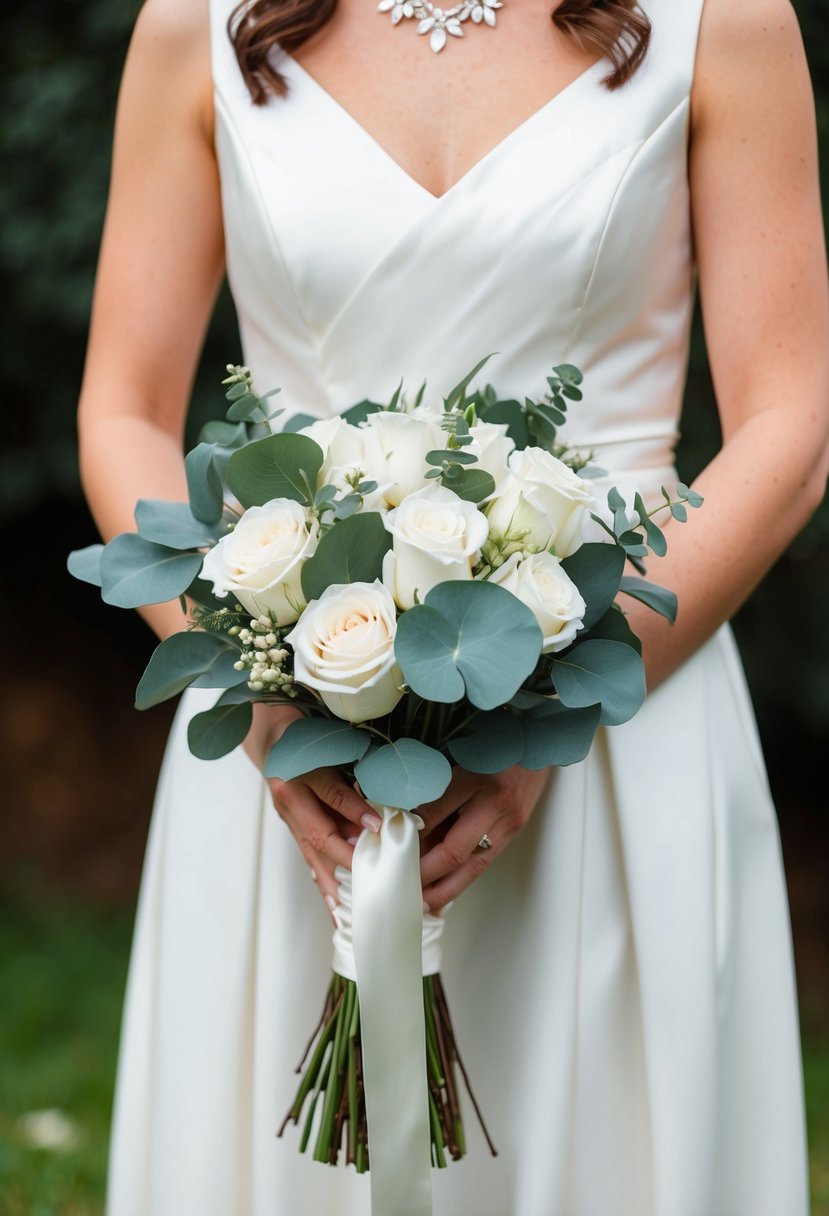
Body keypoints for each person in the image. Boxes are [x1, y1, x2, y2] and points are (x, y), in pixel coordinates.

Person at [76, 0, 828, 1211]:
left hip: (622, 706)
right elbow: (120, 407)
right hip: (293, 727)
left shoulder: (723, 20)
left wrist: (548, 716)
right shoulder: (197, 23)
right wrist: (256, 688)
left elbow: (789, 430)